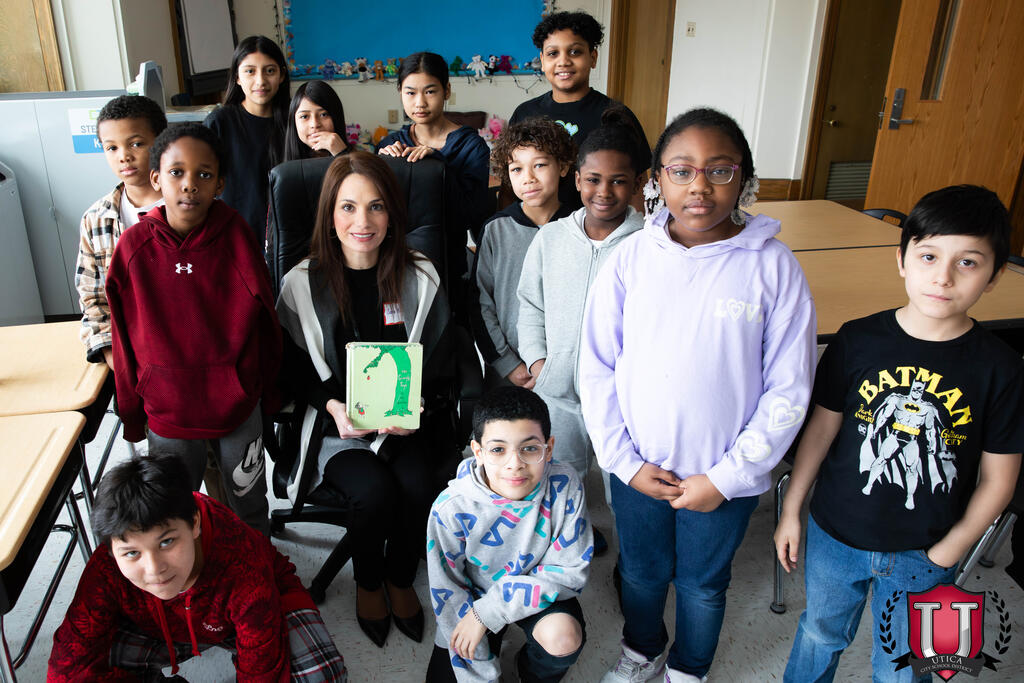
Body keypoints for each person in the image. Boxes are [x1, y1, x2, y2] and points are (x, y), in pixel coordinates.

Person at [578, 107, 816, 682]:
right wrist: (623, 462)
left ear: (744, 179)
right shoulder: (631, 259)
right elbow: (597, 366)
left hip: (724, 477)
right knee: (641, 574)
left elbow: (789, 387)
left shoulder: (774, 267)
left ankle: (689, 668)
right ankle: (642, 649)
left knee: (703, 584)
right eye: (681, 171)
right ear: (656, 181)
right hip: (638, 469)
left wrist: (729, 477)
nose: (699, 187)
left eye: (719, 170)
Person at [775, 184, 1024, 682]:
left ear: (996, 275)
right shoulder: (857, 339)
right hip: (834, 536)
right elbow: (821, 431)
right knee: (820, 633)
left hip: (928, 549)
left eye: (968, 262)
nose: (943, 276)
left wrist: (950, 550)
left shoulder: (1002, 368)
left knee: (905, 665)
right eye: (929, 256)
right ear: (902, 259)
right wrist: (791, 510)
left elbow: (1000, 479)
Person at [275, 151, 458, 648]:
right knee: (373, 493)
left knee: (419, 487)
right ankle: (369, 581)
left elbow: (442, 363)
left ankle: (400, 577)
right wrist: (333, 407)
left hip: (404, 422)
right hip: (336, 427)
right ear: (329, 215)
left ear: (392, 214)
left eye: (376, 207)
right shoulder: (301, 284)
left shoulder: (420, 276)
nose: (363, 221)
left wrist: (419, 405)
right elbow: (290, 370)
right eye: (348, 207)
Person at [106, 123, 281, 535]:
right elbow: (123, 339)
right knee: (174, 512)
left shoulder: (236, 236)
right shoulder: (132, 247)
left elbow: (267, 323)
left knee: (249, 505)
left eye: (204, 174)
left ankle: (258, 568)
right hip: (169, 410)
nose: (189, 184)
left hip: (237, 407)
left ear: (219, 183)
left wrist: (267, 394)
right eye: (176, 172)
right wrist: (131, 412)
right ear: (156, 178)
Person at [48, 452, 347, 681]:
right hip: (157, 624)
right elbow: (68, 665)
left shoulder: (241, 563)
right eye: (132, 553)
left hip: (247, 615)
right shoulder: (106, 566)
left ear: (194, 523)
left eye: (166, 542)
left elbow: (262, 669)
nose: (154, 569)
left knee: (321, 675)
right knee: (92, 663)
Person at [516, 107, 648, 555]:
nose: (604, 192)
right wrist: (539, 361)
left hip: (622, 400)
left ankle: (631, 567)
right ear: (576, 180)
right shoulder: (551, 238)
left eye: (618, 181)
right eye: (593, 179)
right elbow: (530, 304)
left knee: (622, 489)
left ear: (638, 184)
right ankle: (563, 554)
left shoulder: (648, 246)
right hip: (558, 394)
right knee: (559, 483)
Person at [425, 386, 593, 682]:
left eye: (530, 448)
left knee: (563, 638)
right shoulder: (450, 508)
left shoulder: (566, 484)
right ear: (478, 452)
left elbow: (570, 569)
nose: (514, 464)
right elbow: (447, 589)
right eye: (498, 450)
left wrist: (490, 612)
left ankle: (530, 672)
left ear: (549, 448)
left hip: (537, 586)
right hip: (472, 597)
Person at [468, 117, 575, 391]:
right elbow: (480, 304)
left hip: (569, 371)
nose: (528, 178)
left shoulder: (579, 227)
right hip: (509, 374)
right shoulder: (496, 230)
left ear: (563, 166)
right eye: (517, 169)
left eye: (540, 165)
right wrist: (508, 365)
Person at [510, 10, 650, 210]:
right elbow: (510, 181)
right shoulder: (525, 113)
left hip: (599, 224)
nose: (563, 61)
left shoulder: (615, 115)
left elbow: (638, 184)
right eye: (553, 53)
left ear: (593, 57)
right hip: (537, 224)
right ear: (542, 60)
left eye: (575, 52)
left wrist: (636, 225)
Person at [377, 51, 491, 280]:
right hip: (394, 263)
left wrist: (438, 164)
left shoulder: (471, 146)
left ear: (446, 91)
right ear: (400, 92)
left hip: (448, 265)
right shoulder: (390, 145)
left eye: (430, 91)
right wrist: (381, 165)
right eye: (410, 92)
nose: (420, 103)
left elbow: (472, 215)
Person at [76, 94, 167, 369]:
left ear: (162, 141)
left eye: (136, 144)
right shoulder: (96, 219)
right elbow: (93, 300)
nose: (124, 156)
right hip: (131, 358)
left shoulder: (192, 208)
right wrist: (115, 359)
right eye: (111, 148)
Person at [204, 35, 290, 246]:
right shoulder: (220, 122)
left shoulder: (295, 120)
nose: (260, 81)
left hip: (285, 239)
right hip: (233, 239)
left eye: (269, 71)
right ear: (237, 77)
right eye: (250, 71)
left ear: (281, 75)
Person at [284, 80, 351, 161]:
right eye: (304, 116)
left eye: (323, 115)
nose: (314, 124)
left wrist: (341, 154)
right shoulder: (282, 165)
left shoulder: (359, 160)